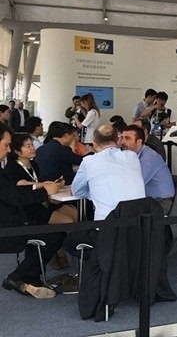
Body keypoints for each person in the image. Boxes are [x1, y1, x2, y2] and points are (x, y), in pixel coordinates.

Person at [0, 122, 62, 299]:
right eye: (6, 145)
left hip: (18, 217)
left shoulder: (32, 166)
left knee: (54, 232)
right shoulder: (10, 168)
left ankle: (24, 277)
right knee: (54, 234)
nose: (8, 150)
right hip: (10, 225)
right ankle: (19, 277)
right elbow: (15, 197)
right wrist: (45, 191)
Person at [63, 125, 146, 255]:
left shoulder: (89, 161)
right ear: (118, 140)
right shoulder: (132, 157)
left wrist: (93, 193)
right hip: (136, 226)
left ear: (94, 144)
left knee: (69, 243)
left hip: (106, 228)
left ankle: (99, 263)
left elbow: (76, 191)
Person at [120, 125, 175, 214]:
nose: (122, 142)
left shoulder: (149, 157)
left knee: (122, 213)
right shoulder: (134, 156)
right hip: (149, 201)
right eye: (122, 138)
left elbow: (135, 184)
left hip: (160, 203)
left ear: (139, 142)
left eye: (127, 138)